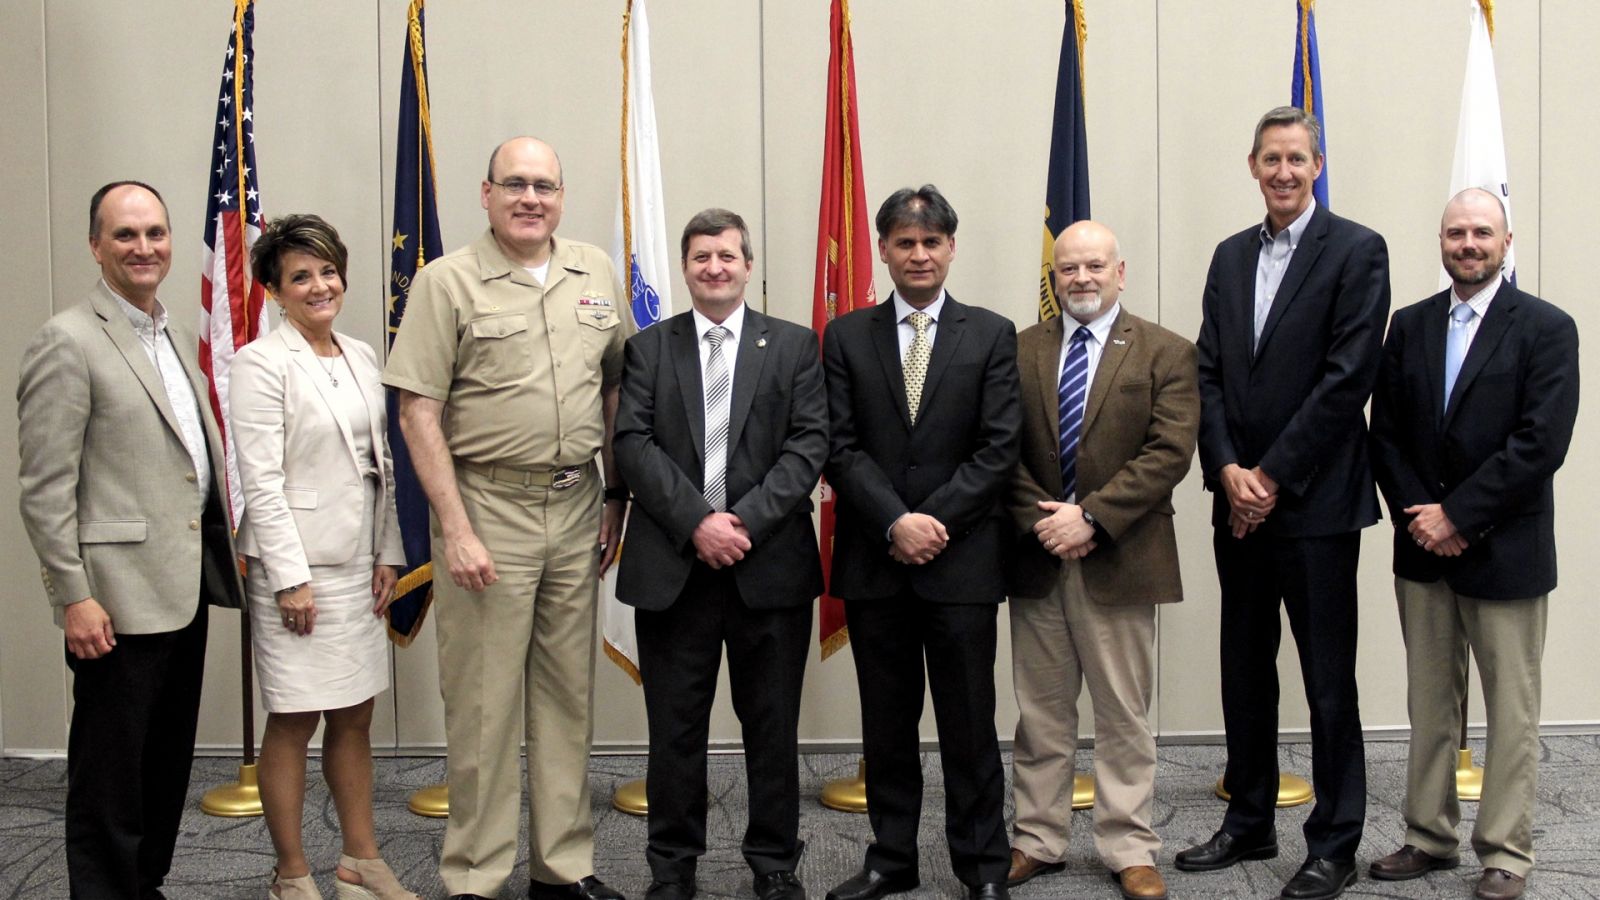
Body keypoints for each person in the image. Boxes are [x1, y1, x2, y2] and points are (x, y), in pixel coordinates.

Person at [382, 136, 632, 900]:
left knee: (566, 696)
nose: (532, 198)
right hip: (487, 506)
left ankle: (563, 866)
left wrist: (617, 496)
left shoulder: (594, 272)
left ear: (562, 195)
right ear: (484, 193)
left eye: (546, 186)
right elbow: (418, 410)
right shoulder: (446, 282)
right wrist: (452, 527)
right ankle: (477, 875)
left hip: (577, 504)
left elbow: (618, 390)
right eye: (515, 184)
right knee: (486, 703)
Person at [1180, 106, 1390, 900]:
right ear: (1253, 165)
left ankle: (1334, 840)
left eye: (1297, 159)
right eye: (1271, 159)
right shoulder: (1231, 256)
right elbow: (1208, 373)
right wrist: (1229, 468)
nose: (1283, 172)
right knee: (1244, 667)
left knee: (1328, 678)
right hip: (1237, 503)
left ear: (1317, 163)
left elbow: (1347, 379)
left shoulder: (1358, 250)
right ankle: (1249, 817)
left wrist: (1269, 478)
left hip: (1316, 506)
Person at [17, 180, 245, 899]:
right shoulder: (69, 340)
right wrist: (74, 598)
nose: (143, 248)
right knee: (110, 779)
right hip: (113, 604)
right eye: (125, 235)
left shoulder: (172, 335)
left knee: (164, 765)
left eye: (154, 233)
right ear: (95, 246)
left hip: (182, 589)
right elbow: (45, 489)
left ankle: (145, 887)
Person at [1367, 188, 1579, 900]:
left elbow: (1539, 444)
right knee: (1431, 702)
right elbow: (1386, 434)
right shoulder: (1410, 325)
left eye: (1481, 233)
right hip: (1422, 552)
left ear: (1506, 240)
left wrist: (1457, 515)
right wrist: (1420, 517)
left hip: (1504, 551)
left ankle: (1506, 853)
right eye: (1457, 232)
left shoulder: (1547, 328)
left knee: (1510, 711)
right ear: (1440, 240)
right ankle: (1428, 836)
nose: (1468, 243)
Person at [614, 209, 828, 900]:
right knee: (674, 730)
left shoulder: (794, 346)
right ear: (685, 267)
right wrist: (698, 524)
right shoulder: (648, 348)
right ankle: (672, 869)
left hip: (769, 568)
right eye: (701, 256)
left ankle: (774, 864)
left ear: (747, 264)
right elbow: (632, 446)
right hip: (674, 568)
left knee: (772, 728)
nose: (714, 267)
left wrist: (742, 524)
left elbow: (807, 447)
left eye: (727, 256)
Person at [822, 185, 1021, 900]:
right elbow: (838, 447)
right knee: (887, 723)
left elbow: (1000, 450)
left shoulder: (992, 333)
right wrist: (893, 523)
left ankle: (982, 865)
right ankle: (891, 859)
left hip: (961, 561)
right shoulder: (845, 335)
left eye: (931, 242)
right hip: (877, 562)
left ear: (951, 248)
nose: (918, 254)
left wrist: (931, 523)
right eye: (904, 242)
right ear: (883, 249)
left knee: (970, 725)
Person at [1004, 221, 1198, 900]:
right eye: (1068, 270)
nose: (1080, 279)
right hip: (1038, 557)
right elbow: (1002, 452)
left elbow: (1168, 454)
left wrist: (1091, 517)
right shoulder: (1020, 350)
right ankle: (1037, 838)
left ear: (1121, 271)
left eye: (1094, 267)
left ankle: (1128, 845)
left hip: (1120, 557)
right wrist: (1049, 520)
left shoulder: (1165, 352)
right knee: (1042, 713)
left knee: (1123, 714)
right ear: (1054, 278)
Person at [230, 214, 419, 900]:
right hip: (298, 575)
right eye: (300, 277)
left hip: (359, 566)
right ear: (276, 292)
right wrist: (290, 580)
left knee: (355, 715)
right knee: (294, 718)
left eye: (327, 271)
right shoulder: (259, 363)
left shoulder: (364, 355)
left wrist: (391, 553)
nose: (319, 286)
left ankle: (360, 861)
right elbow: (261, 479)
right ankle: (292, 873)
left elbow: (387, 467)